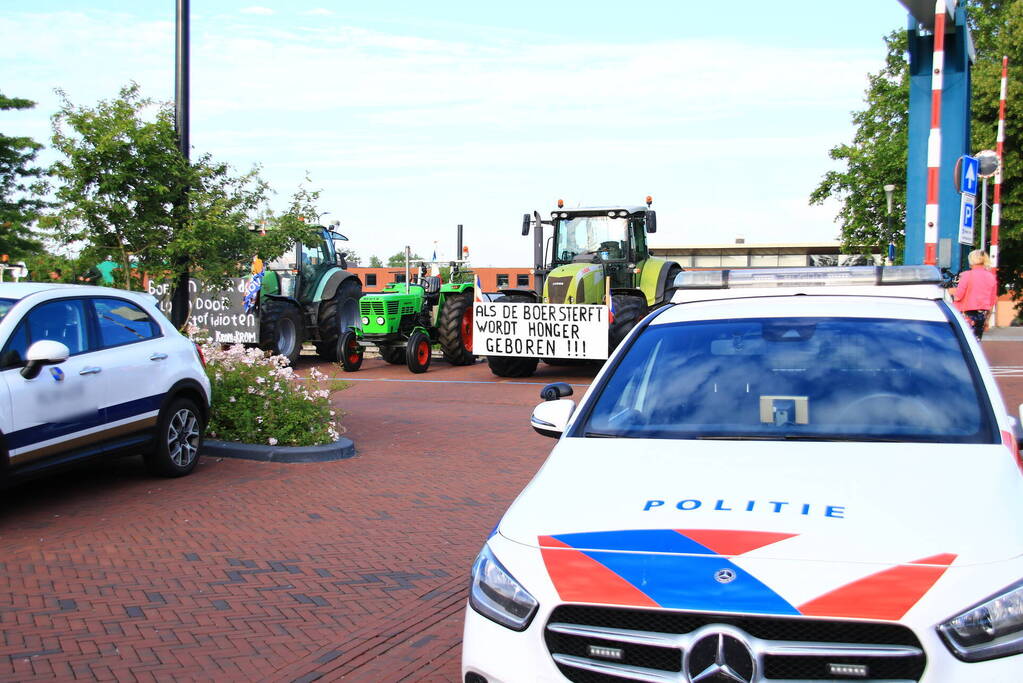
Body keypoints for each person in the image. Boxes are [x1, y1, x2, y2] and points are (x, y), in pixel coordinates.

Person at [952, 249, 998, 340]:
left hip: (965, 314)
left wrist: (951, 291)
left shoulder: (966, 275)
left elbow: (958, 297)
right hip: (982, 315)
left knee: (962, 342)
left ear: (971, 261)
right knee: (976, 342)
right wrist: (987, 320)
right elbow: (992, 301)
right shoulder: (991, 277)